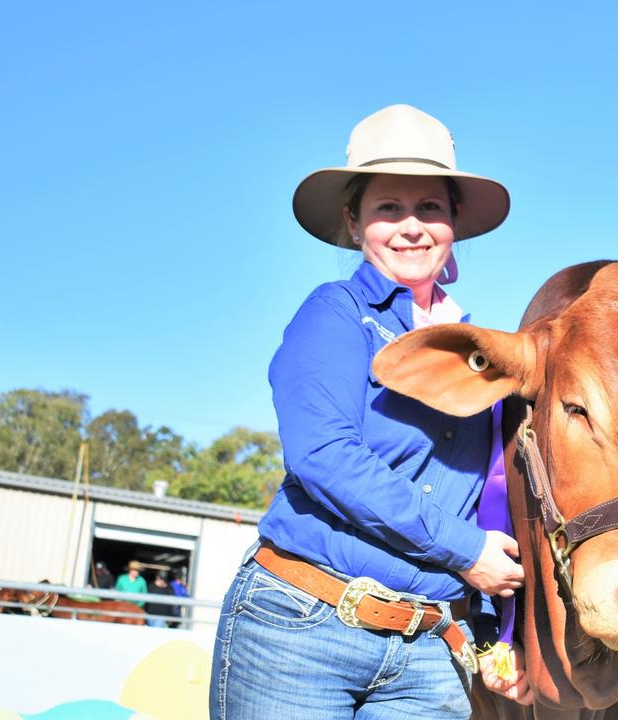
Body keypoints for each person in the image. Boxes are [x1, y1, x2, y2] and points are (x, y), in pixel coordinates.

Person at [210, 104, 526, 719]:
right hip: (301, 630)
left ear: (453, 222)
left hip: (428, 652)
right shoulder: (335, 315)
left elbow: (489, 493)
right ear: (354, 223)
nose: (412, 226)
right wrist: (464, 550)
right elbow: (323, 458)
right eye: (389, 209)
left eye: (429, 208)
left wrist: (495, 631)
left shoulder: (481, 350)